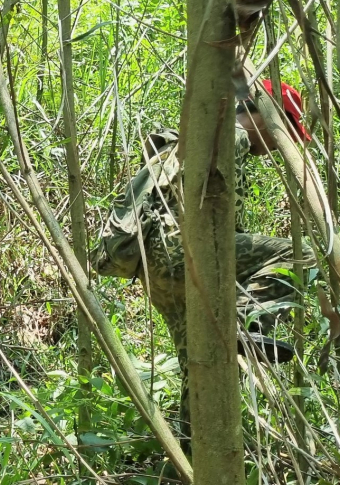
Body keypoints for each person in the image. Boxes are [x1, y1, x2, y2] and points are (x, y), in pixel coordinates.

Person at [91, 79, 315, 437]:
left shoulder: (200, 137)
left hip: (155, 271)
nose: (280, 144)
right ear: (264, 113)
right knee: (300, 257)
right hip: (183, 251)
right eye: (285, 128)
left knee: (200, 369)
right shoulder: (231, 137)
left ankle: (192, 454)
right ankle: (248, 323)